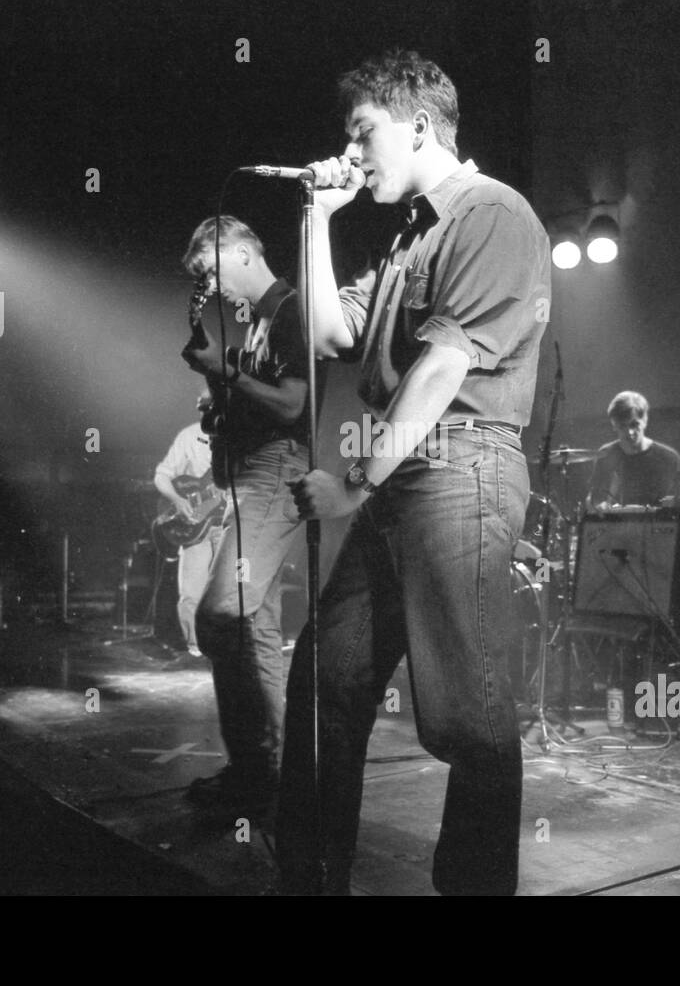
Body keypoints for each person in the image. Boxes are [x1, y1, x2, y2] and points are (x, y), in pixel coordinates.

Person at [279, 50, 551, 895]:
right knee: (325, 680)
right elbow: (326, 334)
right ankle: (309, 880)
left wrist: (354, 484)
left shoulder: (491, 211)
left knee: (466, 711)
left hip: (461, 467)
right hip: (400, 479)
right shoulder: (405, 239)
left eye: (364, 131)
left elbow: (438, 372)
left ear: (421, 124)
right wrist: (317, 219)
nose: (353, 151)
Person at [178, 215, 314, 818]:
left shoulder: (289, 308)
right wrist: (220, 402)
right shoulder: (256, 323)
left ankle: (256, 772)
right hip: (247, 477)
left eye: (210, 269)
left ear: (238, 249)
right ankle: (276, 777)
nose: (212, 286)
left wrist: (221, 368)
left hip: (274, 473)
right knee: (255, 634)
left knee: (221, 615)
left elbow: (291, 405)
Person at [152, 398, 225, 657]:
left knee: (230, 591)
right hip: (196, 526)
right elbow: (162, 475)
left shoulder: (239, 435)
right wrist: (178, 500)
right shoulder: (189, 436)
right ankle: (196, 646)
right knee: (191, 593)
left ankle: (225, 647)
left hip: (228, 523)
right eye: (205, 409)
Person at [584, 390, 680, 510]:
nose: (629, 432)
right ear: (614, 425)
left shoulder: (671, 459)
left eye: (634, 424)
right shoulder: (606, 455)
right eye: (622, 426)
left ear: (645, 420)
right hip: (618, 526)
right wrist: (597, 505)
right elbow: (594, 498)